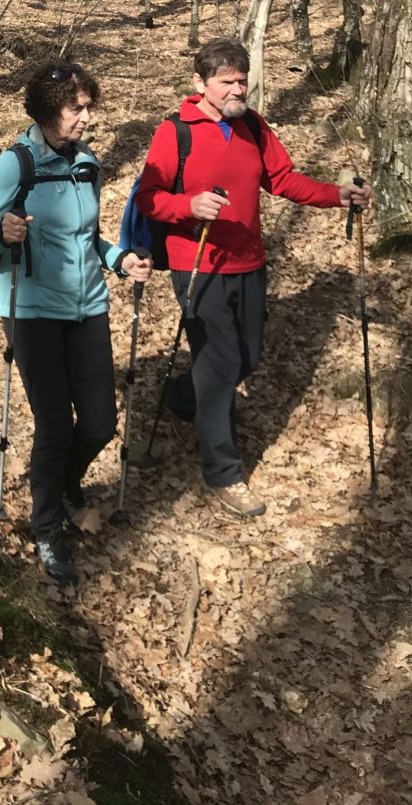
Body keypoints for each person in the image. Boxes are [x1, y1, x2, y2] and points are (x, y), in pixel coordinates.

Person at [136, 38, 372, 518]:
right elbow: (148, 197)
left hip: (249, 261)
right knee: (221, 363)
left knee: (246, 358)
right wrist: (189, 205)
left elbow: (283, 179)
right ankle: (223, 473)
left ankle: (180, 395)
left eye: (242, 80)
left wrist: (337, 195)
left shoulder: (253, 126)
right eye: (227, 82)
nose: (237, 89)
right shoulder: (175, 131)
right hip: (197, 263)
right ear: (200, 83)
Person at [0, 62, 153, 584]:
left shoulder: (88, 164)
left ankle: (66, 486)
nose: (86, 117)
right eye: (77, 108)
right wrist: (3, 233)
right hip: (31, 310)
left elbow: (87, 238)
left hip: (88, 305)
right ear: (49, 111)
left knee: (100, 423)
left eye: (89, 106)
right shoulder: (16, 164)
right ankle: (46, 525)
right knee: (53, 424)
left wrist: (120, 259)